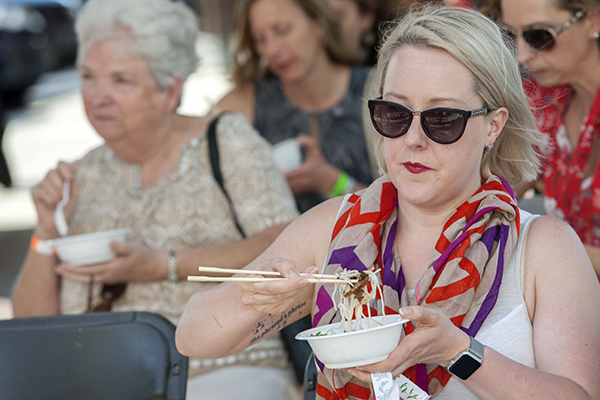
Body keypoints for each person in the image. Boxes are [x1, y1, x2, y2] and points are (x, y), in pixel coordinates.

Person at [176, 5, 600, 400]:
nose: (413, 140)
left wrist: (459, 352)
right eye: (394, 115)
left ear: (493, 126)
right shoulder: (336, 228)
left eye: (442, 119)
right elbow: (193, 338)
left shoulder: (542, 245)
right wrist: (256, 295)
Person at [10, 0, 300, 398]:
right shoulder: (80, 175)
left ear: (170, 90)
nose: (98, 96)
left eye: (120, 81)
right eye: (87, 77)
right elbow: (32, 327)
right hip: (99, 384)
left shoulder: (225, 141)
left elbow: (285, 250)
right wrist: (44, 231)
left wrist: (163, 265)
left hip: (225, 370)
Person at [217, 0, 379, 214]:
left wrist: (333, 183)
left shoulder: (377, 90)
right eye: (260, 39)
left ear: (318, 24)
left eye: (282, 31)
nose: (272, 50)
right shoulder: (244, 105)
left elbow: (407, 211)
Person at [482, 0, 600, 278]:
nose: (522, 55)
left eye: (539, 36)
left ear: (594, 20)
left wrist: (539, 246)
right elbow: (494, 192)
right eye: (511, 36)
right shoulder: (542, 99)